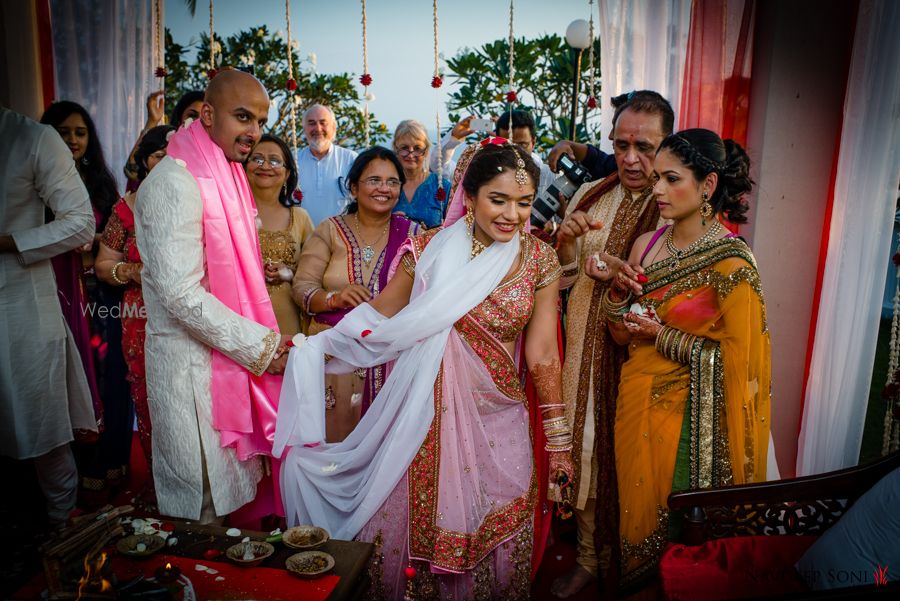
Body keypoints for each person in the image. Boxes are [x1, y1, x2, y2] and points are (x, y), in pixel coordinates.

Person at [276, 139, 573, 599]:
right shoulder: (427, 251)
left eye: (524, 203)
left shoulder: (538, 259)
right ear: (468, 197)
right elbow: (378, 319)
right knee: (415, 529)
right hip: (423, 417)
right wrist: (310, 348)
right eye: (499, 200)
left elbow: (543, 355)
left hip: (498, 418)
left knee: (495, 523)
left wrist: (558, 442)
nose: (512, 215)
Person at [602, 128, 770, 588]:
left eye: (670, 178)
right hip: (635, 401)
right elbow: (620, 336)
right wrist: (618, 298)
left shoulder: (732, 265)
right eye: (656, 178)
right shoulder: (647, 246)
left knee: (678, 530)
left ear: (708, 185)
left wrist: (663, 336)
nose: (655, 189)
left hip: (689, 425)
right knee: (634, 516)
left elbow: (742, 361)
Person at [134, 69, 290, 522]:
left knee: (222, 507)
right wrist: (261, 346)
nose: (254, 133)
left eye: (260, 121)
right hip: (189, 373)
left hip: (221, 363)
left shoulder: (224, 175)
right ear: (207, 113)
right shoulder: (174, 183)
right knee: (200, 506)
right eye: (243, 117)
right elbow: (180, 294)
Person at [552, 91, 674, 598]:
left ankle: (640, 563)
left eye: (644, 147)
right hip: (581, 351)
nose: (629, 158)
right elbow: (556, 281)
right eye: (620, 144)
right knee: (583, 451)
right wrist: (564, 243)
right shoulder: (591, 195)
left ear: (667, 145)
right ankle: (587, 556)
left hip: (647, 361)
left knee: (637, 462)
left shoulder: (675, 203)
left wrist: (629, 284)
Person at [0, 106, 97, 526]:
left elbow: (80, 225)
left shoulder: (29, 138)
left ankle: (61, 533)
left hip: (20, 298)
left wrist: (8, 243)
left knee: (41, 420)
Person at [40, 100, 133, 507]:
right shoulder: (35, 183)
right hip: (56, 293)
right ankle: (70, 477)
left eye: (80, 132)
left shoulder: (99, 184)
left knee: (109, 377)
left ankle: (108, 469)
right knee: (67, 379)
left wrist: (94, 246)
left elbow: (118, 240)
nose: (73, 140)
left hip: (102, 299)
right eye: (63, 132)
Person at [291, 147, 418, 442]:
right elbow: (302, 287)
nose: (383, 189)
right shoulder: (330, 230)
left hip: (389, 358)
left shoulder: (413, 234)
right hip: (333, 357)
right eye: (374, 180)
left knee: (382, 453)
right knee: (333, 450)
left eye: (392, 182)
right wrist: (334, 298)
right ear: (353, 187)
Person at [95, 124, 175, 511]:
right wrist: (131, 272)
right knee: (147, 397)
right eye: (160, 154)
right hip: (139, 314)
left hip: (186, 316)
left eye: (175, 154)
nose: (167, 162)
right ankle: (161, 486)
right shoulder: (126, 208)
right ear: (145, 159)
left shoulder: (199, 202)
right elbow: (103, 264)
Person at [246, 133, 314, 337]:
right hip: (240, 323)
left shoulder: (300, 218)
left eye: (275, 161)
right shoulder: (230, 215)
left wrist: (289, 274)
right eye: (257, 159)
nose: (265, 166)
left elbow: (316, 277)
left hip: (288, 323)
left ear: (286, 174)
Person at [296, 103, 358, 226]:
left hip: (342, 239)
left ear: (334, 128)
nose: (318, 128)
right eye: (312, 123)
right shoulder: (293, 160)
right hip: (303, 240)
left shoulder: (351, 159)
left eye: (323, 123)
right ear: (304, 128)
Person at [390, 119, 451, 229]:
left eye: (417, 148)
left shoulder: (442, 187)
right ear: (396, 149)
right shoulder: (386, 186)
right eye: (404, 148)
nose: (411, 154)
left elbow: (453, 229)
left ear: (426, 150)